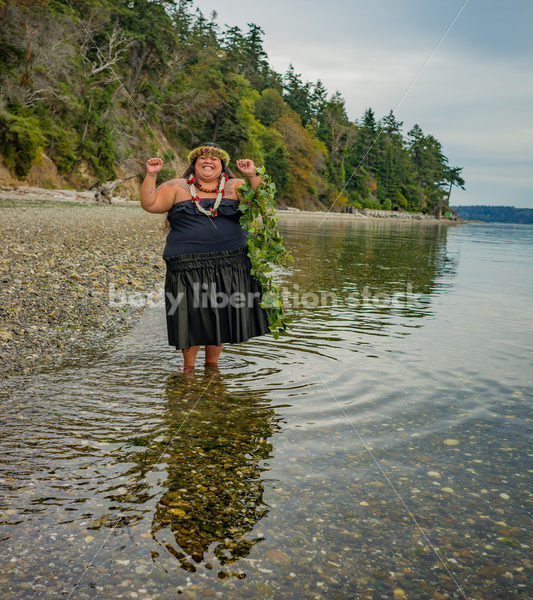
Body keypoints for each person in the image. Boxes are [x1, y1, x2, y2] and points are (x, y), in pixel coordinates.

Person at [140, 143, 270, 370]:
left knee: (218, 316)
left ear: (222, 166)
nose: (208, 161)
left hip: (229, 265)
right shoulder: (177, 186)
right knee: (190, 317)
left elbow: (261, 201)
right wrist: (151, 175)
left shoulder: (237, 185)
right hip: (186, 267)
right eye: (203, 158)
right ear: (194, 163)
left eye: (214, 159)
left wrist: (252, 175)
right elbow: (149, 204)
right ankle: (188, 369)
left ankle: (212, 367)